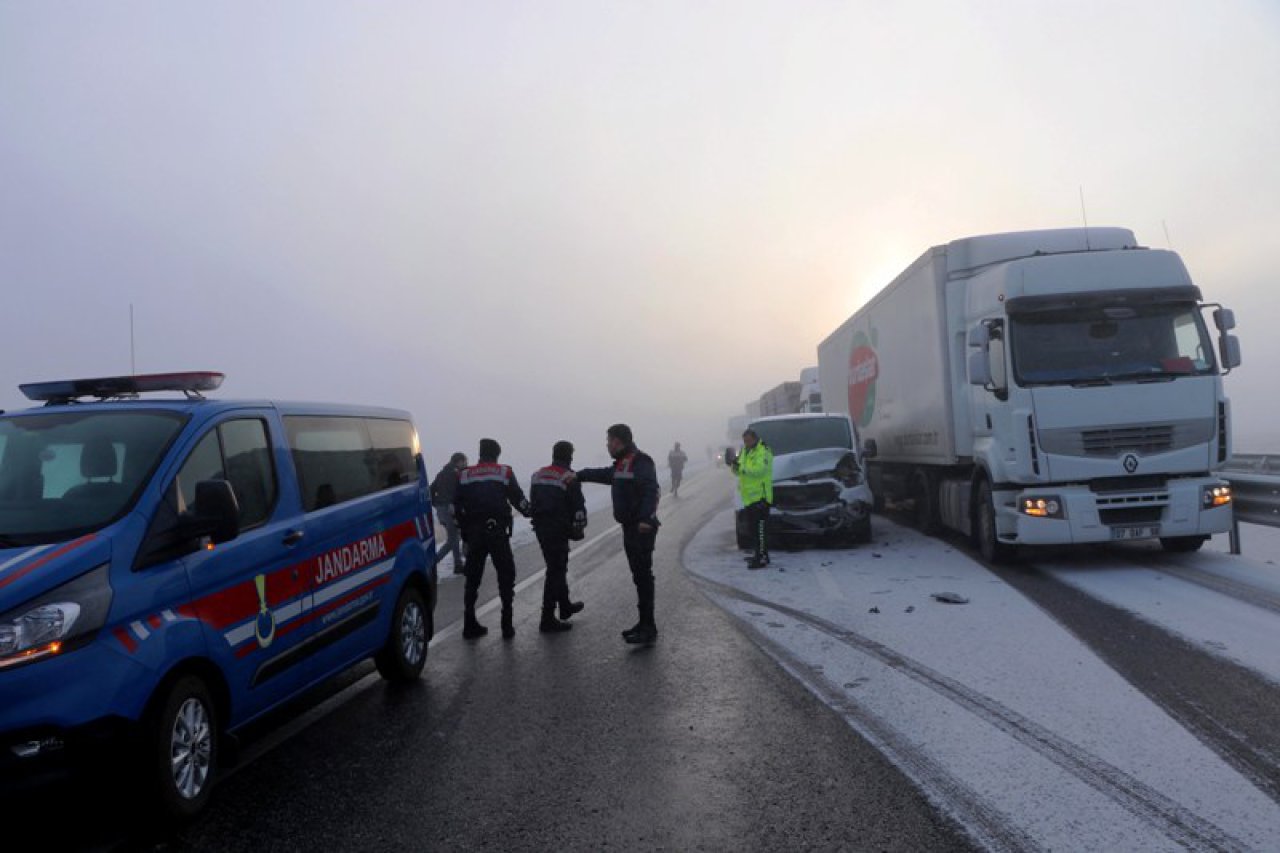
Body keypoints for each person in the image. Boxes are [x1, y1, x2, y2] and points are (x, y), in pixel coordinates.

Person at [575, 424, 661, 644]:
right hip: (630, 527)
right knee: (638, 576)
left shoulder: (641, 461)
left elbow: (651, 490)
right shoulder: (624, 463)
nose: (606, 445)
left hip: (641, 528)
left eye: (608, 441)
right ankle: (643, 622)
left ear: (617, 441)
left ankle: (648, 626)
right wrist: (578, 476)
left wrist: (645, 518)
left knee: (643, 576)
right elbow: (606, 474)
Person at [455, 438, 530, 640]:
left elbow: (457, 507)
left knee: (473, 578)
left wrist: (465, 533)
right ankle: (507, 625)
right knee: (506, 574)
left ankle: (469, 624)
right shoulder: (504, 471)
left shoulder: (464, 475)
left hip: (474, 533)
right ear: (496, 455)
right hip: (496, 531)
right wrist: (531, 511)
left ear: (480, 453)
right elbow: (518, 498)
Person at [530, 441, 588, 633]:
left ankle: (564, 606)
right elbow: (578, 507)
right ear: (569, 456)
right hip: (558, 528)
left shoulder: (537, 475)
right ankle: (547, 618)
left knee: (557, 566)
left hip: (541, 528)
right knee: (555, 571)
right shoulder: (568, 477)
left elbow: (534, 501)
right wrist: (578, 529)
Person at [733, 429, 773, 569]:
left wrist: (742, 467)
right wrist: (733, 465)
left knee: (760, 530)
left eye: (749, 440)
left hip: (761, 497)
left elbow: (759, 470)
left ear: (755, 438)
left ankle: (761, 557)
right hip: (749, 498)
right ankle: (760, 554)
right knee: (753, 530)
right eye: (745, 441)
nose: (747, 443)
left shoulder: (764, 451)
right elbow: (738, 472)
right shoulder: (745, 451)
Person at [431, 452, 468, 575]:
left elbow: (431, 491)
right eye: (464, 461)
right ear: (459, 461)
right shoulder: (456, 475)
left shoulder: (441, 474)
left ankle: (455, 563)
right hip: (450, 510)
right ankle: (436, 562)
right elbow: (460, 494)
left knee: (453, 538)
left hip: (442, 510)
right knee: (454, 538)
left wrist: (436, 505)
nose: (466, 464)